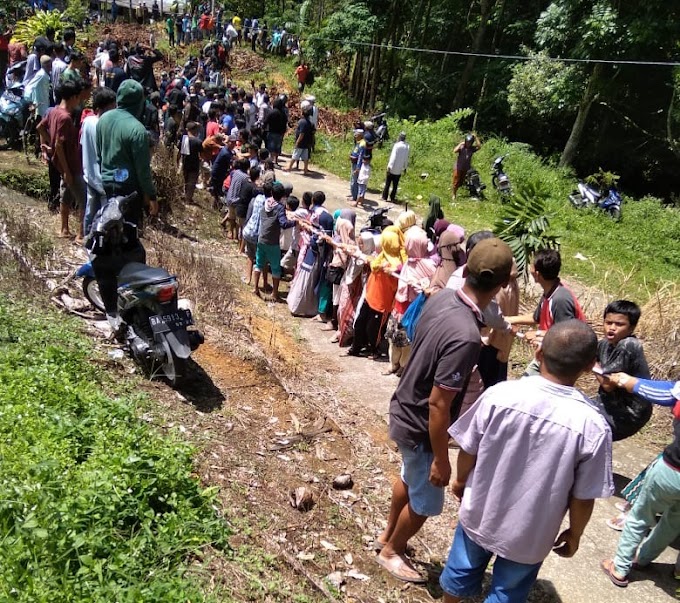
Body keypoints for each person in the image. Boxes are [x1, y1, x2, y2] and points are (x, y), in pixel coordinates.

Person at [440, 319, 614, 601]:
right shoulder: (592, 425)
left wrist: (460, 479)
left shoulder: (500, 394)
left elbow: (469, 446)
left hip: (481, 511)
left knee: (460, 571)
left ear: (538, 353)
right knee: (508, 591)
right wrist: (575, 533)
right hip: (532, 532)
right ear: (588, 366)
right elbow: (583, 496)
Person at [376, 238, 515, 583]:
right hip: (421, 422)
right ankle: (391, 550)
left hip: (404, 405)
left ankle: (387, 537)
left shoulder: (441, 299)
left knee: (410, 480)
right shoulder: (467, 335)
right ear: (500, 286)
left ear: (465, 269)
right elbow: (439, 403)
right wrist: (442, 458)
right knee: (426, 503)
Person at [94, 79, 159, 327]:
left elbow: (100, 155)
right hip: (129, 192)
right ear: (140, 102)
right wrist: (151, 197)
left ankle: (110, 284)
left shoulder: (104, 120)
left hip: (107, 186)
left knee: (110, 233)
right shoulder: (137, 130)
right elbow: (143, 171)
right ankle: (128, 293)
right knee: (129, 238)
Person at [507, 248, 585, 376]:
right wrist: (509, 319)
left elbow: (567, 335)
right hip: (547, 353)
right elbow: (536, 317)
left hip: (559, 361)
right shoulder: (550, 290)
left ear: (537, 274)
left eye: (531, 265)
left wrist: (538, 334)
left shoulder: (560, 300)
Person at [36, 79, 86, 242]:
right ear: (73, 97)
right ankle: (81, 234)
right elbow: (59, 144)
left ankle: (64, 229)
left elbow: (40, 128)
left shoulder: (53, 111)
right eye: (78, 97)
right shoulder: (65, 118)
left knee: (66, 195)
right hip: (71, 165)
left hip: (62, 163)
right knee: (84, 199)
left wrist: (47, 143)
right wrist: (66, 171)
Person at [81, 86, 117, 236]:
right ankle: (98, 243)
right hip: (103, 180)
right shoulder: (106, 127)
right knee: (104, 216)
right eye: (113, 107)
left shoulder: (87, 121)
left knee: (90, 211)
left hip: (88, 174)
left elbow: (83, 144)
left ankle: (87, 238)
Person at [253, 182, 295, 302]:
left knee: (259, 264)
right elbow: (283, 223)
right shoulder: (280, 207)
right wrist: (295, 222)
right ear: (282, 196)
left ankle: (256, 288)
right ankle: (275, 294)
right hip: (272, 241)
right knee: (276, 268)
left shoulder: (266, 202)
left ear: (271, 192)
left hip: (261, 238)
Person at [285, 107, 314, 175]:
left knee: (295, 155)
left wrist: (297, 142)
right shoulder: (309, 122)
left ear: (302, 114)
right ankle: (305, 170)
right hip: (306, 142)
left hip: (301, 142)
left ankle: (289, 167)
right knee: (305, 157)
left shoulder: (302, 122)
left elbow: (302, 133)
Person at [382, 132, 410, 202]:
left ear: (399, 137)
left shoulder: (396, 145)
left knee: (388, 183)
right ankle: (392, 198)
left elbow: (393, 157)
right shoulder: (407, 146)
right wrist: (405, 167)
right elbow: (406, 158)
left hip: (392, 168)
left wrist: (389, 166)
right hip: (399, 169)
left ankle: (384, 197)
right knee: (395, 185)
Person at [452, 133, 480, 200]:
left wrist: (476, 137)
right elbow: (454, 150)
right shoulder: (462, 147)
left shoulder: (472, 149)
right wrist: (460, 144)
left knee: (461, 182)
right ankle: (454, 194)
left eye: (469, 142)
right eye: (467, 142)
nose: (468, 144)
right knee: (456, 181)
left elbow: (479, 146)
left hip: (466, 168)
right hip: (458, 167)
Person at [180, 122, 203, 205]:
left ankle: (184, 196)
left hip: (185, 163)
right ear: (195, 130)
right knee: (191, 182)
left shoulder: (184, 139)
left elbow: (181, 153)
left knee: (185, 180)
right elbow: (201, 154)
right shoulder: (198, 141)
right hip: (194, 164)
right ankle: (188, 199)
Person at [349, 129, 364, 203]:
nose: (354, 135)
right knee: (353, 179)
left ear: (360, 135)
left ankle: (354, 196)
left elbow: (360, 157)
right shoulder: (358, 142)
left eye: (356, 134)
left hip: (356, 165)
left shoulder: (362, 144)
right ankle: (353, 195)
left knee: (354, 181)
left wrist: (358, 168)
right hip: (354, 163)